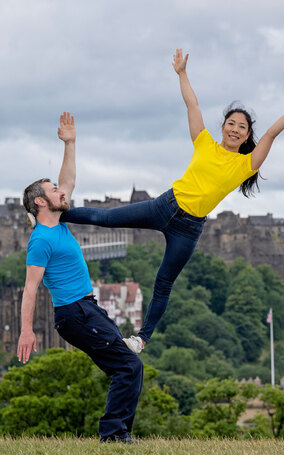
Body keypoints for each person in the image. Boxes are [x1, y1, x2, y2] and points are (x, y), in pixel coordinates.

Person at [60, 49, 284, 354]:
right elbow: (192, 103)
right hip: (164, 206)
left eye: (242, 128)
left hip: (188, 228)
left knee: (163, 282)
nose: (235, 130)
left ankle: (141, 338)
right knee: (107, 218)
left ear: (248, 135)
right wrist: (182, 73)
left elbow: (273, 133)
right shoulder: (204, 141)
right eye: (231, 124)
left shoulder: (246, 164)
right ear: (223, 126)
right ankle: (56, 215)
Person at [18, 112, 143, 444]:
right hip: (75, 313)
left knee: (127, 368)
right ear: (40, 201)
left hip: (87, 309)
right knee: (128, 367)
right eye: (53, 189)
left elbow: (68, 181)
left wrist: (70, 143)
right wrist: (27, 330)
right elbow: (30, 289)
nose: (62, 191)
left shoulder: (58, 223)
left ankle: (117, 434)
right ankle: (114, 435)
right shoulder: (41, 240)